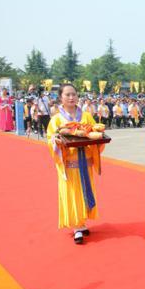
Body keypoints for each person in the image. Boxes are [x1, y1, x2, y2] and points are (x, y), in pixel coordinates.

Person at [46, 83, 106, 244]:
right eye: (67, 95)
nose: (71, 97)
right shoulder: (57, 119)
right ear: (61, 98)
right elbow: (50, 138)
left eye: (74, 94)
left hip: (85, 162)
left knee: (85, 191)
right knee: (72, 193)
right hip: (70, 163)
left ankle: (81, 222)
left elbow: (94, 131)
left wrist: (99, 136)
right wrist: (55, 140)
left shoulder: (86, 116)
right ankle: (77, 227)